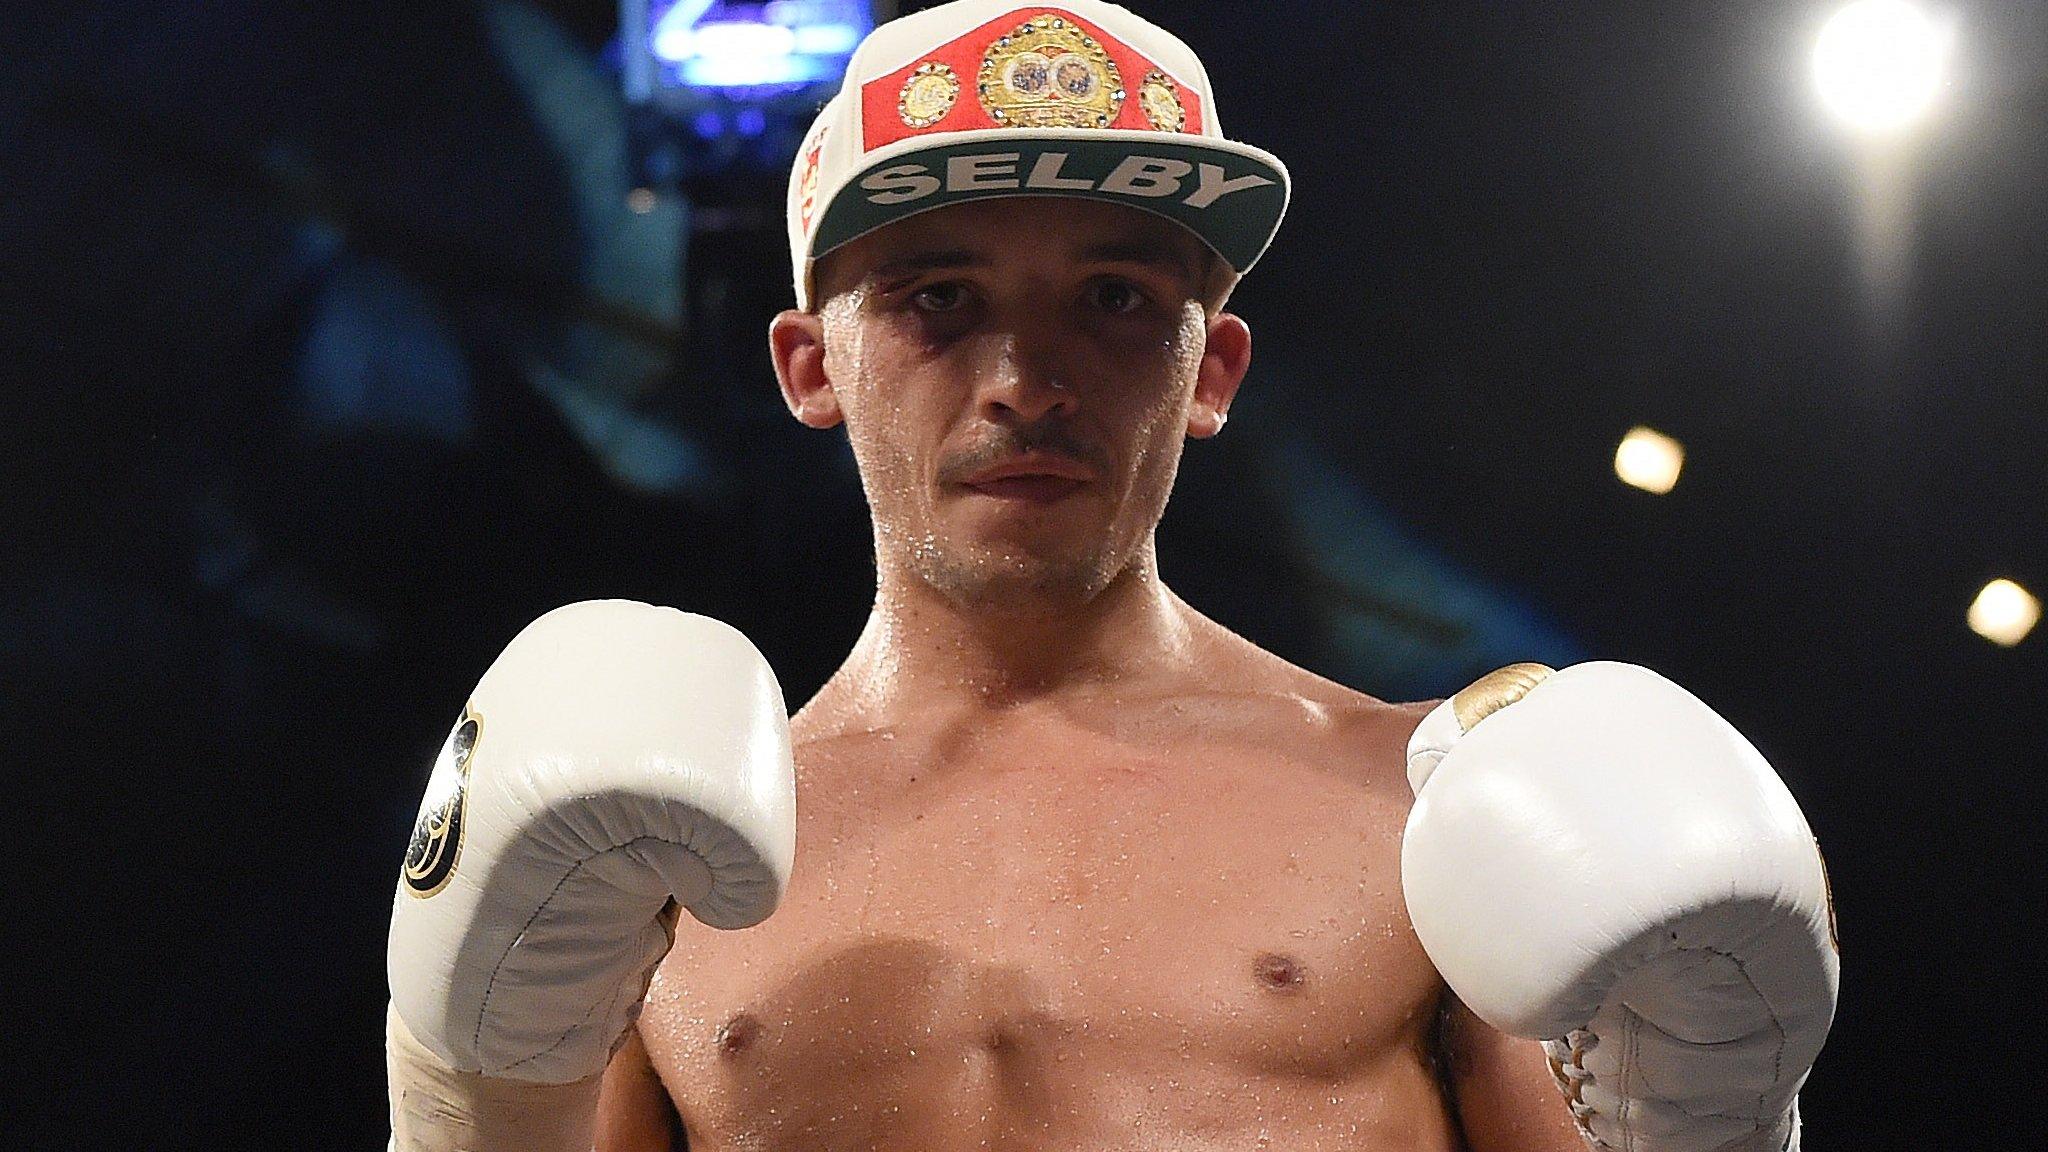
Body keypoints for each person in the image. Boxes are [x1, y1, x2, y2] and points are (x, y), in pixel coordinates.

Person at [384, 3, 1839, 1150]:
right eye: (938, 297)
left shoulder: (1434, 810)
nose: (1025, 379)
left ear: (1211, 371)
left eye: (1117, 301)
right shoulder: (648, 871)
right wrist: (467, 1111)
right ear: (810, 365)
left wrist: (1720, 1126)